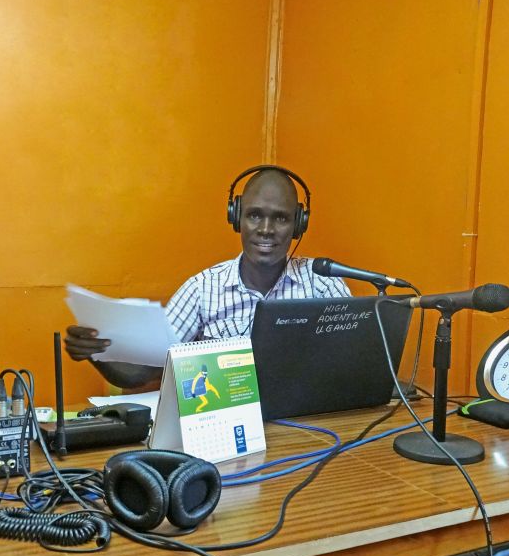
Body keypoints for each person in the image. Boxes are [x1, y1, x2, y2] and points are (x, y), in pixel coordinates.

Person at [64, 166, 350, 389]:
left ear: (299, 224)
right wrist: (95, 352)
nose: (266, 229)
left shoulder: (322, 282)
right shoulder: (202, 289)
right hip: (226, 428)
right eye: (254, 215)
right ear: (236, 218)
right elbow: (145, 370)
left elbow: (353, 361)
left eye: (281, 218)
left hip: (308, 427)